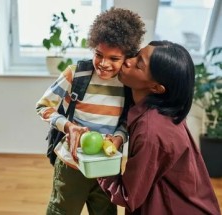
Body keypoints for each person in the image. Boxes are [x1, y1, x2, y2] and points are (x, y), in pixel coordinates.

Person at [36, 7, 146, 215]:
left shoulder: (127, 84)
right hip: (71, 164)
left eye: (114, 59)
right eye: (99, 54)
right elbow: (43, 106)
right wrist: (68, 126)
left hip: (107, 167)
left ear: (127, 58)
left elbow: (126, 121)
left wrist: (119, 138)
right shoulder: (76, 74)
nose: (104, 64)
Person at [98, 40, 221, 215]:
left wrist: (98, 164)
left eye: (138, 64)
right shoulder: (157, 112)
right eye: (136, 55)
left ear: (156, 87)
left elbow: (127, 196)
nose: (127, 61)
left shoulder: (151, 131)